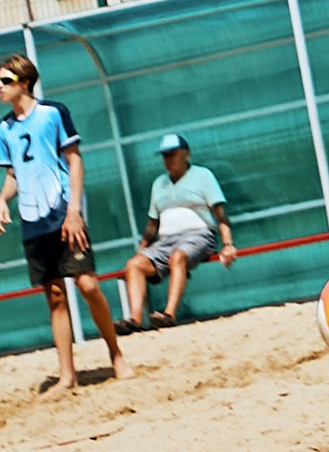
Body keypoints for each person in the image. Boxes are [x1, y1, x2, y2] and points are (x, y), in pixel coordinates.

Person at [0, 53, 125, 392]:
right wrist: (1, 198)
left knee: (87, 285)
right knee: (55, 295)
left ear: (24, 82)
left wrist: (74, 211)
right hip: (33, 219)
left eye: (5, 81)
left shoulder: (53, 113)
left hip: (64, 214)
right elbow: (15, 174)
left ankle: (116, 354)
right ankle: (67, 376)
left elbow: (75, 161)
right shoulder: (4, 128)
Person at [121, 129, 237, 330]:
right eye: (165, 155)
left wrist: (228, 244)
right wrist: (142, 248)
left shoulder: (203, 176)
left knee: (178, 257)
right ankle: (135, 320)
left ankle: (169, 313)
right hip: (165, 240)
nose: (169, 159)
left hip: (199, 235)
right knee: (134, 264)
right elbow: (152, 224)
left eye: (173, 153)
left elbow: (220, 214)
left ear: (186, 154)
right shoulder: (159, 183)